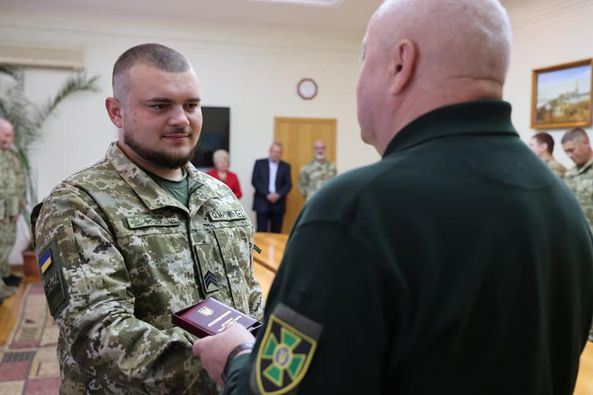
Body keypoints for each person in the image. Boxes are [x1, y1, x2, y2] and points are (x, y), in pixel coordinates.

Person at [193, 0, 593, 394]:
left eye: (364, 58)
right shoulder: (561, 203)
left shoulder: (357, 210)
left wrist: (237, 360)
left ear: (401, 64)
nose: (358, 79)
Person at [30, 43, 263, 394]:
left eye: (191, 105)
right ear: (116, 112)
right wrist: (232, 365)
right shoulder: (77, 203)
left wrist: (259, 356)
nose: (181, 119)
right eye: (160, 105)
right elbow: (97, 333)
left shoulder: (220, 195)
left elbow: (250, 296)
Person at [561, 127, 593, 342]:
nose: (570, 155)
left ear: (585, 143)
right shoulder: (570, 173)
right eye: (566, 152)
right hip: (579, 241)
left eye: (572, 150)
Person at [0, 118, 26, 292]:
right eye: (7, 135)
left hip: (12, 210)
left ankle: (4, 274)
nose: (10, 139)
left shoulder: (12, 155)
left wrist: (18, 206)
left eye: (11, 135)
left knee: (7, 244)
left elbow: (20, 180)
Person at [251, 143, 292, 233]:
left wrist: (278, 195)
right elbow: (255, 181)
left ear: (281, 154)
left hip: (278, 203)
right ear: (270, 151)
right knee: (261, 231)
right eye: (274, 151)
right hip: (262, 201)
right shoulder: (259, 163)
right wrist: (267, 194)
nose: (275, 154)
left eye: (278, 152)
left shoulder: (286, 166)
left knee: (276, 232)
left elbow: (288, 184)